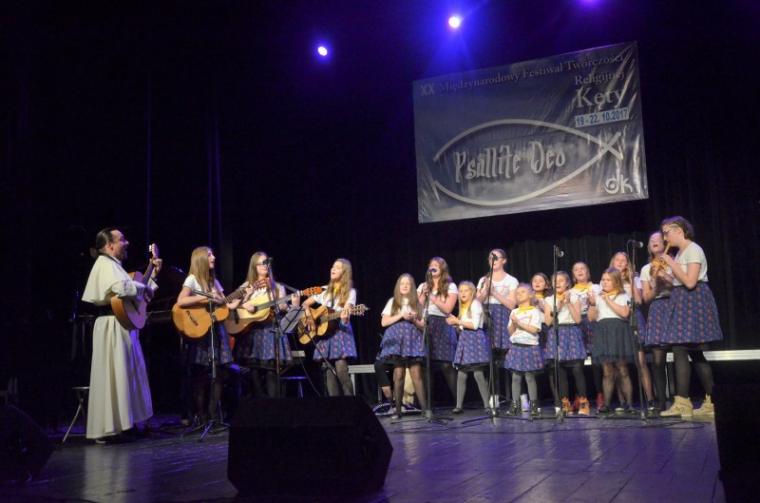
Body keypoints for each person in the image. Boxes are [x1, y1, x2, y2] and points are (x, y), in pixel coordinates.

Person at [82, 228, 158, 442]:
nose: (127, 242)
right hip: (110, 325)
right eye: (122, 239)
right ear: (109, 245)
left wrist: (151, 278)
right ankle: (110, 428)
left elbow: (135, 293)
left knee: (126, 375)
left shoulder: (115, 266)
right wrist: (143, 288)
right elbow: (121, 287)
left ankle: (126, 423)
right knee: (114, 375)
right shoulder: (104, 263)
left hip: (121, 325)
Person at [658, 216, 722, 418]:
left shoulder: (693, 249)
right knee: (694, 352)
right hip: (682, 299)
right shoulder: (680, 253)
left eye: (667, 233)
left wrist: (670, 262)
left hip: (693, 300)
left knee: (682, 348)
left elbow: (691, 281)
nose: (665, 238)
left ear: (679, 230)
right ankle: (711, 402)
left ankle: (683, 402)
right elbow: (679, 280)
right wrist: (665, 277)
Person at [176, 246, 241, 425]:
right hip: (201, 332)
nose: (213, 257)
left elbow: (226, 304)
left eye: (213, 254)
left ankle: (214, 417)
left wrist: (242, 296)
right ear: (200, 259)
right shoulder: (192, 279)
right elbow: (181, 300)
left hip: (216, 331)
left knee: (218, 372)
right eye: (209, 254)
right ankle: (201, 416)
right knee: (201, 374)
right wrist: (204, 297)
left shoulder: (214, 281)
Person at [234, 251, 295, 398]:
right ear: (254, 267)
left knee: (271, 371)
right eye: (261, 263)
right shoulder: (247, 285)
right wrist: (245, 303)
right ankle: (260, 402)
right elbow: (233, 304)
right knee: (253, 370)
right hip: (253, 332)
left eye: (266, 263)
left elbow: (283, 308)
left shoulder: (277, 287)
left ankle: (273, 405)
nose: (264, 266)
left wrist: (288, 306)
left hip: (271, 332)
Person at [301, 258, 358, 396]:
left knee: (341, 368)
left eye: (337, 267)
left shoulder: (350, 291)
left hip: (339, 332)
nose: (333, 269)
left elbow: (347, 310)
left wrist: (345, 316)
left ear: (344, 272)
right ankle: (335, 405)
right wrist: (309, 316)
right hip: (324, 334)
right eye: (333, 266)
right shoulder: (324, 290)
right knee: (328, 370)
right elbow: (305, 304)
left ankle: (351, 404)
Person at [610, 251, 655, 411]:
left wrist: (630, 279)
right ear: (613, 262)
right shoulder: (607, 280)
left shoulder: (635, 279)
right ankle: (623, 401)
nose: (620, 263)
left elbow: (638, 300)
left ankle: (650, 400)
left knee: (641, 362)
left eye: (624, 260)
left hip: (633, 319)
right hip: (616, 320)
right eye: (617, 260)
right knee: (619, 364)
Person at [378, 273, 427, 418]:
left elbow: (424, 326)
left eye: (408, 284)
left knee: (416, 373)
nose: (405, 286)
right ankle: (397, 410)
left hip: (412, 340)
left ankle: (425, 409)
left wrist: (414, 320)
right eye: (402, 283)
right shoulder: (393, 302)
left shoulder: (417, 303)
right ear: (398, 287)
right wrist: (401, 315)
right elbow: (384, 322)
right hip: (397, 342)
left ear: (412, 287)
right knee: (398, 373)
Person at [544, 271, 590, 416]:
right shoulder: (549, 300)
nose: (557, 283)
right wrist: (559, 305)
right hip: (557, 332)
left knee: (577, 369)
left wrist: (568, 302)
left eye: (561, 280)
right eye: (555, 281)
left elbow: (578, 319)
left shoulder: (575, 297)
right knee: (560, 371)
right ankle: (565, 404)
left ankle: (583, 403)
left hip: (572, 331)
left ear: (567, 283)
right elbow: (548, 321)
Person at [590, 268, 636, 413]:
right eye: (603, 279)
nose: (604, 282)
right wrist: (592, 303)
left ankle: (629, 404)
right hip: (603, 331)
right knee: (607, 371)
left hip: (618, 331)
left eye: (608, 280)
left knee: (622, 369)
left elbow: (625, 313)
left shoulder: (623, 295)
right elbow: (591, 318)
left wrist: (608, 300)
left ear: (616, 281)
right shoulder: (598, 297)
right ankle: (607, 404)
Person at [476, 249, 518, 404]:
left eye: (496, 257)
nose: (492, 260)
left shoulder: (511, 280)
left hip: (504, 317)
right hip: (488, 317)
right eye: (490, 257)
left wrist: (494, 292)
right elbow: (477, 302)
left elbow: (512, 304)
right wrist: (485, 291)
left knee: (509, 355)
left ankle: (517, 397)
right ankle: (493, 396)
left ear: (504, 260)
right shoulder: (483, 280)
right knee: (491, 357)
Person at [417, 257, 458, 403]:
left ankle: (458, 402)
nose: (433, 267)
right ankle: (428, 405)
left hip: (442, 324)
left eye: (436, 265)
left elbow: (448, 309)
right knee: (427, 366)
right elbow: (417, 308)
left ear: (442, 268)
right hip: (426, 324)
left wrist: (433, 297)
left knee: (446, 365)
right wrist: (423, 295)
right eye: (431, 265)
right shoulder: (423, 286)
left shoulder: (450, 286)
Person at [447, 281, 491, 414]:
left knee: (478, 373)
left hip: (475, 340)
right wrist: (456, 325)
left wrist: (457, 321)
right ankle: (459, 405)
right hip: (466, 340)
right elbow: (464, 326)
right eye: (460, 291)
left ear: (472, 292)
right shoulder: (463, 308)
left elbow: (475, 325)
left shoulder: (475, 304)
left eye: (466, 290)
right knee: (462, 374)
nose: (463, 293)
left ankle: (487, 405)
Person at [640, 231, 672, 412]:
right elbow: (646, 298)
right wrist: (657, 285)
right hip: (658, 307)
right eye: (651, 240)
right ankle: (661, 400)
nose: (655, 241)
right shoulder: (646, 269)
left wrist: (666, 278)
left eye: (658, 239)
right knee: (658, 360)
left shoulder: (674, 261)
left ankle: (682, 399)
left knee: (682, 353)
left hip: (674, 304)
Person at [505, 284, 544, 417]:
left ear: (530, 295)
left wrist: (519, 323)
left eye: (522, 292)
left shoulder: (534, 311)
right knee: (515, 377)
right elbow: (511, 332)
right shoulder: (514, 312)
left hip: (529, 346)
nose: (519, 294)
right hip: (516, 346)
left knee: (529, 377)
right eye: (517, 293)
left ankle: (534, 405)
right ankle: (515, 405)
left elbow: (535, 329)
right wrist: (513, 324)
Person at [570, 262, 604, 411]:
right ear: (573, 274)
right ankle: (580, 396)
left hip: (594, 323)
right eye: (576, 269)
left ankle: (600, 394)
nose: (579, 271)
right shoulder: (570, 291)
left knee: (597, 362)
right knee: (578, 363)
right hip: (577, 325)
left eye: (582, 268)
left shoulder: (596, 287)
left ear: (588, 272)